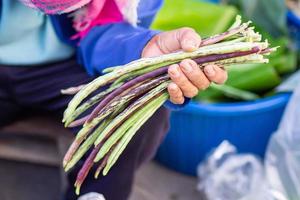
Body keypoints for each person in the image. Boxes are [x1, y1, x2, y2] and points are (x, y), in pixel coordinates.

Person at [0, 0, 227, 199]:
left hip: (67, 68)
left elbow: (104, 31)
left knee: (138, 104)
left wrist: (144, 50)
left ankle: (94, 195)